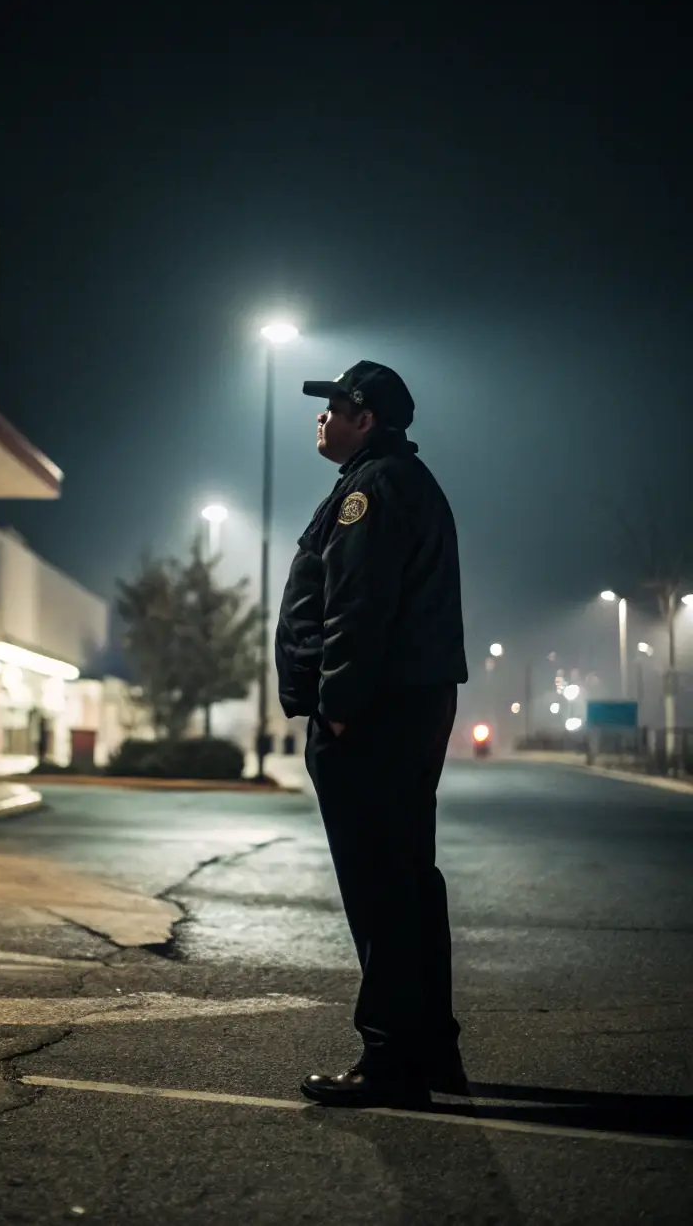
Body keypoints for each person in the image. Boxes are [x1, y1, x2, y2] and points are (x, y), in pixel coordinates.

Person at [275, 359, 469, 1108]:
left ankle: (391, 1056)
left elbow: (356, 604)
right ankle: (430, 1047)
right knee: (408, 877)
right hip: (404, 705)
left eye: (336, 406)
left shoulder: (372, 489)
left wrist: (340, 704)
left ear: (369, 418)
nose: (321, 417)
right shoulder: (390, 482)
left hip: (375, 713)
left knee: (381, 884)